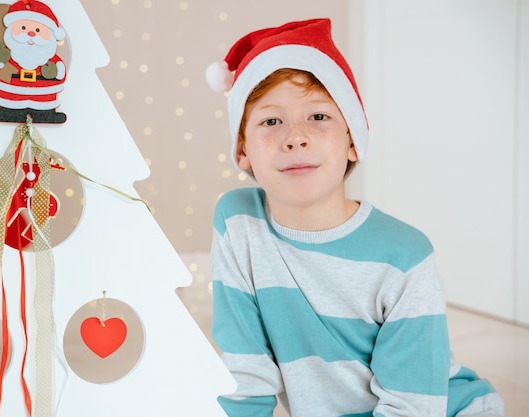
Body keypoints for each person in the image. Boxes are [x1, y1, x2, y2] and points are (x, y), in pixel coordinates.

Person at [205, 18, 505, 417]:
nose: (295, 136)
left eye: (318, 117)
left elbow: (412, 404)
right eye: (271, 121)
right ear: (242, 151)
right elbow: (245, 373)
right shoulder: (238, 223)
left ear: (353, 140)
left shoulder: (404, 257)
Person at [0, 0, 67, 123]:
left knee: (44, 105)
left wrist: (57, 70)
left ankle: (46, 113)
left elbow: (61, 74)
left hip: (43, 96)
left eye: (38, 30)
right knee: (11, 103)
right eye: (23, 28)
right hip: (11, 93)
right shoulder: (7, 51)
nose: (31, 33)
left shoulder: (49, 56)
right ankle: (9, 112)